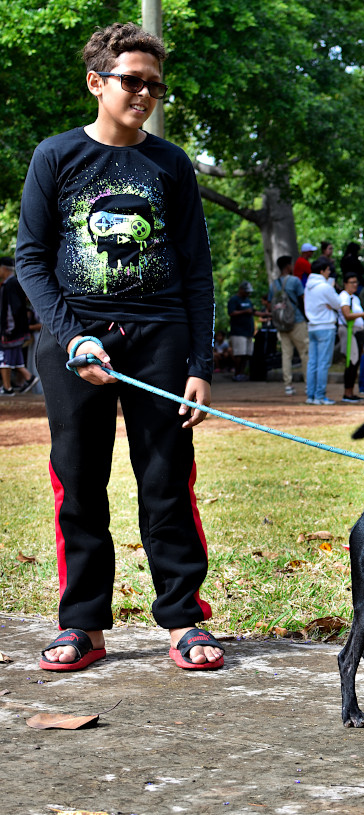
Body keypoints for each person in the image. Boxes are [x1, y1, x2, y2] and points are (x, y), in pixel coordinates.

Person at [15, 22, 223, 670]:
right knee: (78, 482)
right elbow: (30, 258)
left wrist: (200, 365)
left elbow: (195, 269)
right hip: (74, 341)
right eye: (134, 80)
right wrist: (72, 336)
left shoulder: (169, 164)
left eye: (155, 85)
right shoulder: (56, 157)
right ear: (97, 82)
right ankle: (83, 622)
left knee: (166, 481)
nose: (146, 94)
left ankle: (183, 617)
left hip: (161, 338)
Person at [304, 256, 340, 405]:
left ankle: (311, 395)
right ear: (322, 271)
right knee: (323, 363)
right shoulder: (325, 287)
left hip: (312, 326)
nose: (329, 273)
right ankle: (320, 396)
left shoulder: (308, 286)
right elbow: (338, 304)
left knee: (312, 362)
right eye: (327, 271)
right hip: (325, 326)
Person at [0, 257, 39, 395]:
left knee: (5, 359)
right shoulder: (13, 283)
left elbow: (12, 310)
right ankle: (27, 379)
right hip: (16, 329)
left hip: (11, 330)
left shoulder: (10, 285)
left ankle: (8, 387)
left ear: (4, 268)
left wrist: (6, 330)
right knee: (13, 358)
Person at [337, 273, 364, 403]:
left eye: (356, 282)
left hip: (357, 332)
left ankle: (351, 392)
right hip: (350, 332)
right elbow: (347, 315)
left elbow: (358, 315)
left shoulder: (354, 298)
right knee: (351, 362)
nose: (354, 285)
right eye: (352, 282)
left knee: (356, 361)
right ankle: (347, 393)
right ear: (345, 284)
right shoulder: (344, 297)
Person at [271, 255, 308, 396]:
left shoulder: (273, 284)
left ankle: (288, 385)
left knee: (286, 355)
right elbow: (303, 299)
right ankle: (308, 384)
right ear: (288, 266)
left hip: (281, 323)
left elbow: (270, 304)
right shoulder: (295, 281)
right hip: (296, 320)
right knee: (304, 352)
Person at [227, 280, 257, 381]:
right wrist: (244, 311)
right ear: (241, 290)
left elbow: (253, 311)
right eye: (246, 291)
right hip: (238, 332)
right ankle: (236, 373)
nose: (248, 293)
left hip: (248, 332)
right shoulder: (234, 300)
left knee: (246, 354)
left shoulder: (248, 300)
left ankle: (242, 373)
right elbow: (231, 313)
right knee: (239, 354)